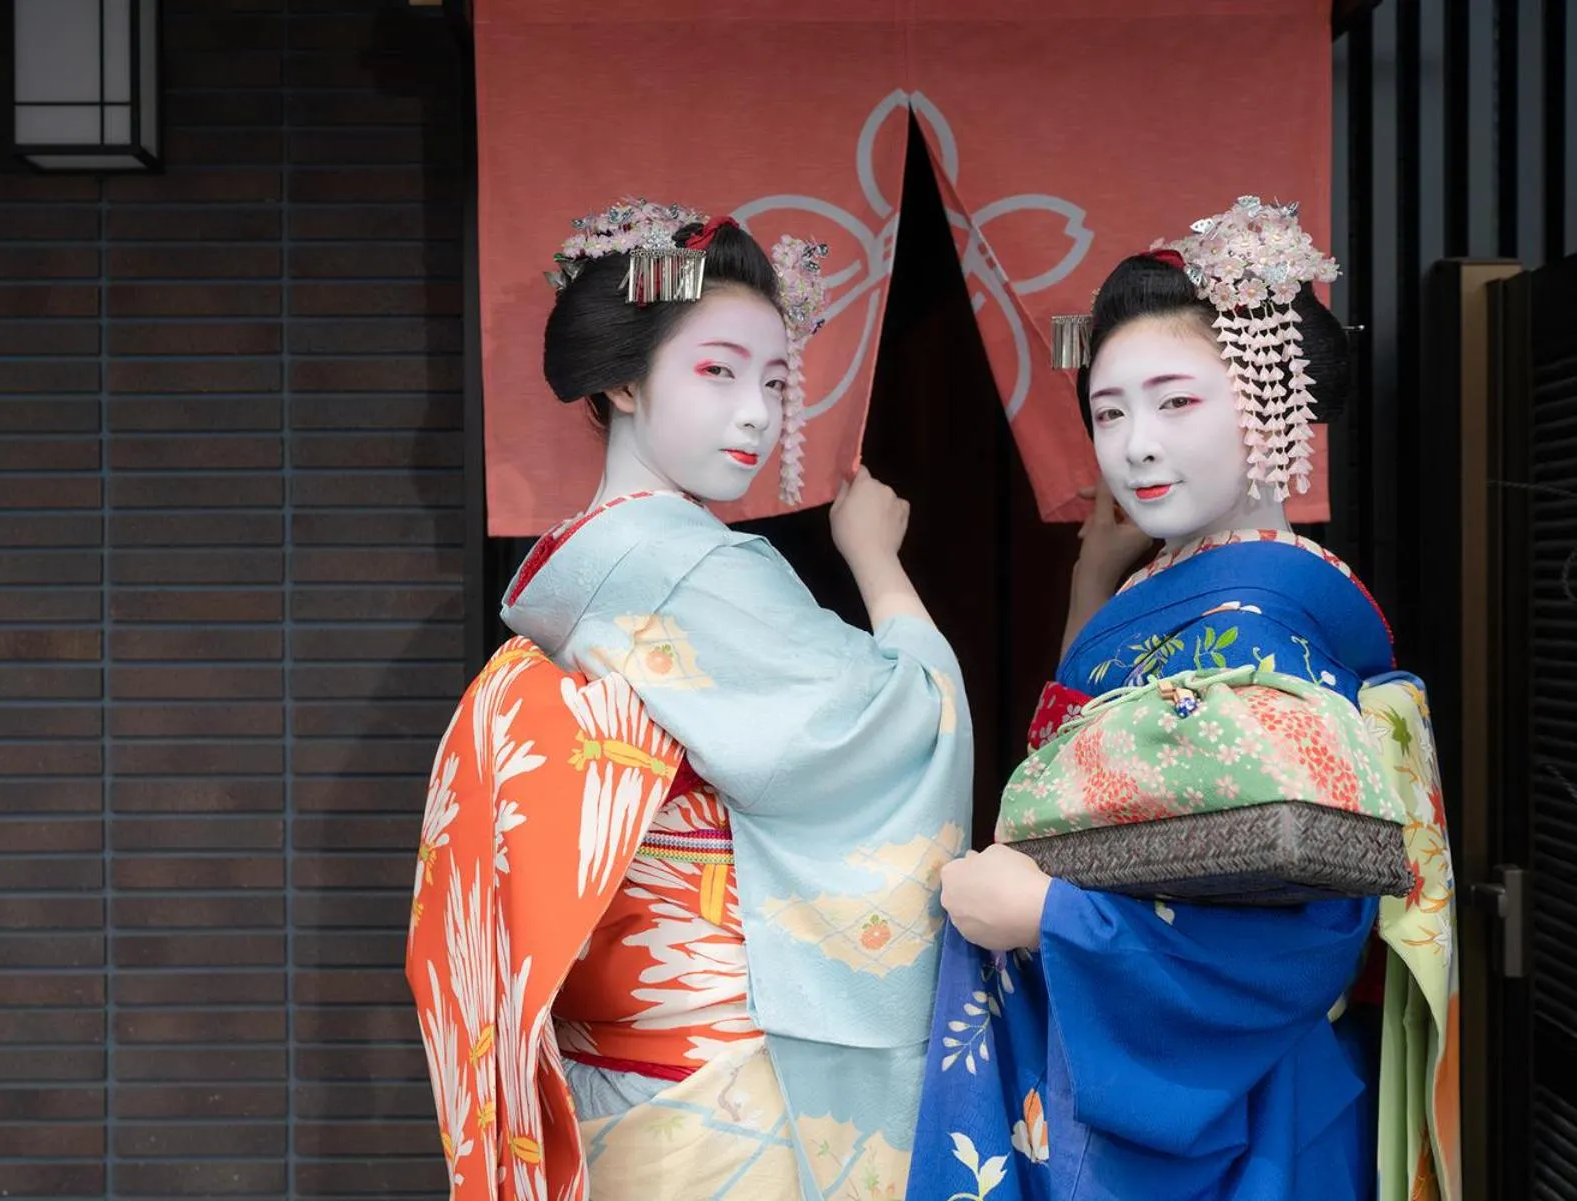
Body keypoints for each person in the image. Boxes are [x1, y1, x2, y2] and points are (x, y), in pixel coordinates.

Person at [407, 198, 973, 1200]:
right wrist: (877, 564)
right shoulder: (696, 570)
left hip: (619, 1080)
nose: (756, 410)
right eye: (716, 370)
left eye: (774, 378)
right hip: (729, 1083)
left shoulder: (579, 580)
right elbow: (901, 727)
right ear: (624, 378)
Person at [906, 197, 1458, 1201]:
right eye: (1110, 411)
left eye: (1176, 402)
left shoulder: (1271, 622)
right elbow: (1075, 790)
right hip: (1118, 1066)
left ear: (1275, 399)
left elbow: (1307, 930)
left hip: (1234, 1107)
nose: (1135, 446)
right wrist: (1089, 589)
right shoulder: (1168, 592)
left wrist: (1049, 916)